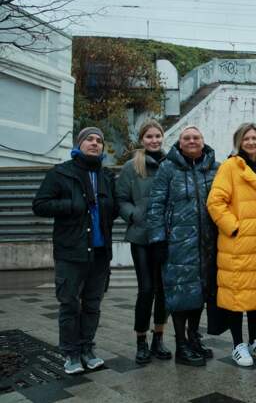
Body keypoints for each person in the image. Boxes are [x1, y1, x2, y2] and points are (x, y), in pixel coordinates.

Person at [33, 127, 118, 374]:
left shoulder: (107, 176)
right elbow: (39, 205)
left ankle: (87, 349)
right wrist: (72, 205)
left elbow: (113, 209)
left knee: (92, 304)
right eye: (89, 139)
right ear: (79, 144)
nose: (94, 144)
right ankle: (71, 354)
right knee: (69, 304)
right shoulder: (61, 173)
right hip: (71, 251)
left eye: (99, 140)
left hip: (100, 253)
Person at [147, 125, 219, 367]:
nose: (191, 141)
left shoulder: (214, 168)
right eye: (186, 138)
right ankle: (180, 346)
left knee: (200, 293)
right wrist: (157, 239)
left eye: (195, 137)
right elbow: (156, 204)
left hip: (208, 243)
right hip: (178, 242)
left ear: (203, 140)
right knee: (180, 294)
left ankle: (193, 338)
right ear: (179, 142)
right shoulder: (168, 167)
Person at [207, 122, 256, 367]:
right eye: (246, 138)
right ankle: (238, 344)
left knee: (255, 295)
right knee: (237, 296)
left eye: (255, 138)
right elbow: (215, 202)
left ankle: (255, 340)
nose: (251, 142)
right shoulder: (229, 166)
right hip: (238, 243)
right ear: (239, 141)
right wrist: (234, 227)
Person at [116, 120, 172, 364]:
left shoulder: (171, 164)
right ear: (142, 139)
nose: (154, 140)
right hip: (141, 237)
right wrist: (134, 215)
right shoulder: (131, 166)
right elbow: (121, 199)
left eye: (158, 136)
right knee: (146, 289)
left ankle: (158, 338)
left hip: (167, 237)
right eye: (149, 136)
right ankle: (141, 340)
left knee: (163, 291)